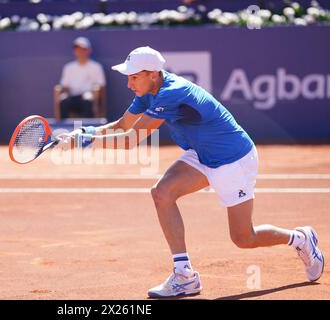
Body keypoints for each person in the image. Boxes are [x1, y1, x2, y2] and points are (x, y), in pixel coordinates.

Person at [56, 46, 325, 298]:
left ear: (152, 75)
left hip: (232, 159)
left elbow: (130, 139)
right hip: (201, 153)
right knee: (161, 193)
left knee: (244, 238)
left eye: (134, 77)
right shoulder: (147, 89)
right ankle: (184, 275)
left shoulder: (173, 91)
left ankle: (300, 238)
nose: (129, 83)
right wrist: (86, 132)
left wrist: (83, 142)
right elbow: (123, 124)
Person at [54, 37, 106, 119]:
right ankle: (62, 128)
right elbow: (65, 85)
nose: (80, 52)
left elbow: (101, 86)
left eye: (83, 49)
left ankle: (88, 129)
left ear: (89, 50)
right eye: (77, 49)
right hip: (72, 97)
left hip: (88, 98)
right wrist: (65, 92)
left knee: (87, 99)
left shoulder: (96, 67)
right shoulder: (68, 67)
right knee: (63, 100)